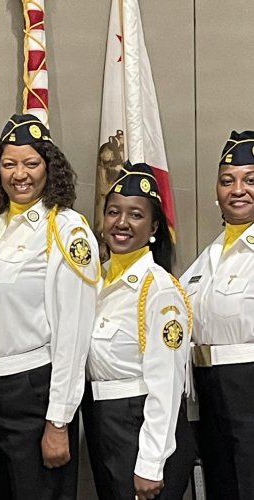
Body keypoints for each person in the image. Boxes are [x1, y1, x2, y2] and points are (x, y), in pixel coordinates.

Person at [0, 114, 100, 500]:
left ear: (49, 169)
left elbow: (74, 332)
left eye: (31, 163)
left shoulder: (66, 229)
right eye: (9, 164)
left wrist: (58, 421)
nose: (20, 174)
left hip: (34, 395)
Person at [83, 161, 195, 500]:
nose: (121, 222)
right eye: (113, 212)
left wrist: (150, 463)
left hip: (141, 422)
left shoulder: (159, 290)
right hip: (104, 423)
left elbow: (167, 384)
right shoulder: (92, 280)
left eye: (135, 215)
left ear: (154, 226)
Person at [180, 130, 254, 499]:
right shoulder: (204, 261)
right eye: (228, 181)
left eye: (250, 180)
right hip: (208, 391)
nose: (237, 189)